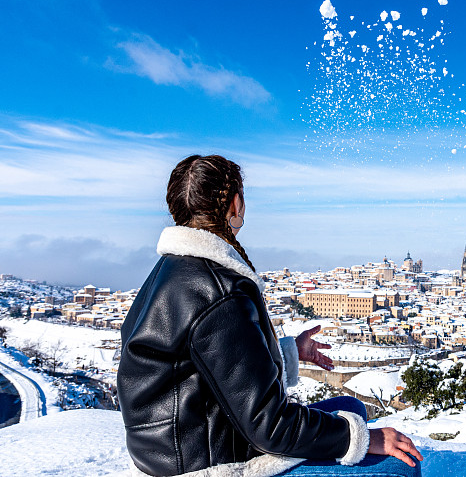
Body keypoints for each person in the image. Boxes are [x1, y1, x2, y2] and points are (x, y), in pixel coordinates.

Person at [118, 155, 423, 477]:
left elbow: (209, 360)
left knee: (353, 409)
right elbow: (270, 426)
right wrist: (360, 439)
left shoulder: (173, 269)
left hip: (175, 445)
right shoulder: (219, 290)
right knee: (399, 467)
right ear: (236, 204)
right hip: (208, 462)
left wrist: (289, 352)